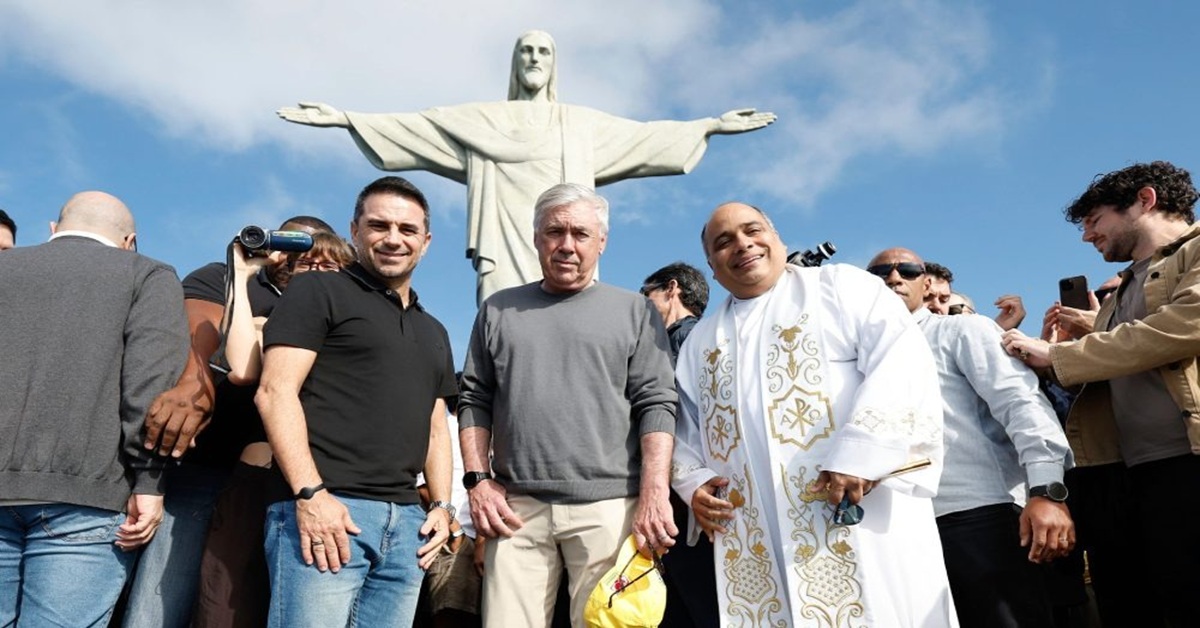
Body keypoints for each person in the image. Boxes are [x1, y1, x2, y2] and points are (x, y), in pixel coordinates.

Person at [278, 30, 776, 304]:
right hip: (504, 242)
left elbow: (642, 136)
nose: (535, 58)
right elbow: (421, 127)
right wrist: (347, 118)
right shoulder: (483, 121)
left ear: (553, 65)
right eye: (526, 51)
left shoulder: (577, 123)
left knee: (573, 309)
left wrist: (707, 125)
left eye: (543, 52)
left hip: (565, 240)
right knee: (505, 319)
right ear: (515, 63)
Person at [671, 202, 956, 627]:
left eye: (752, 231)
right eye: (723, 242)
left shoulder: (842, 288)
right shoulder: (701, 343)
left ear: (778, 239)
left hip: (859, 514)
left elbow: (900, 360)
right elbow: (684, 427)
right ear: (712, 266)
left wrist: (861, 455)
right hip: (756, 536)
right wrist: (693, 484)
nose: (743, 245)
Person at [457, 183, 678, 627]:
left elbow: (656, 402)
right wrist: (478, 481)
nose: (567, 245)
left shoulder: (634, 310)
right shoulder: (497, 310)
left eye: (580, 233)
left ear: (602, 242)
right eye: (555, 232)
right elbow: (474, 399)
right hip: (515, 508)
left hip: (612, 507)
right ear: (537, 238)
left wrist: (655, 491)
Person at [1001, 160, 1200, 627]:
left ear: (1144, 201)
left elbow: (1185, 326)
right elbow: (1107, 375)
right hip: (1133, 476)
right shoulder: (1117, 295)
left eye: (1094, 220)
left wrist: (1062, 359)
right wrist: (1046, 362)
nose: (1087, 236)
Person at [256, 176, 457, 627]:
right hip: (327, 511)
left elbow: (435, 426)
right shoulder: (317, 291)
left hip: (408, 527)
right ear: (354, 230)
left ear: (426, 241)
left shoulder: (435, 330)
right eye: (379, 225)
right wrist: (311, 494)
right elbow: (274, 392)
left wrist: (442, 507)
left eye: (407, 229)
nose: (393, 238)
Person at [121, 216, 335, 628]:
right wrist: (194, 380)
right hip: (205, 461)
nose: (300, 255)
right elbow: (202, 335)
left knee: (239, 604)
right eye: (290, 243)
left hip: (281, 477)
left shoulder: (335, 305)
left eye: (315, 249)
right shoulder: (225, 276)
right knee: (163, 597)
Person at [0, 191, 189, 626]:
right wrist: (149, 482)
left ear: (53, 228)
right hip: (86, 498)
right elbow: (149, 387)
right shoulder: (147, 275)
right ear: (130, 240)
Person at [869, 247, 1075, 628]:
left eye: (908, 270)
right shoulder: (857, 356)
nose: (894, 277)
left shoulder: (962, 330)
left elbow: (1022, 403)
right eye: (880, 271)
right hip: (899, 531)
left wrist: (1047, 490)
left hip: (979, 517)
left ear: (926, 283)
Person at [189, 220, 348, 628]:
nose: (315, 273)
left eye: (328, 266)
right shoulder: (276, 323)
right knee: (227, 605)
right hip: (258, 479)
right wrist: (242, 276)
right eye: (305, 265)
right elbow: (242, 370)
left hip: (335, 485)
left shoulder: (359, 332)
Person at [638, 261, 715, 628]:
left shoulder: (683, 340)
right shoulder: (708, 336)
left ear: (671, 289)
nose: (642, 305)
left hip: (685, 499)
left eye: (645, 294)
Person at [641, 261, 709, 365]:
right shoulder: (702, 333)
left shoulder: (691, 335)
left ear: (671, 288)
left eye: (646, 292)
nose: (643, 300)